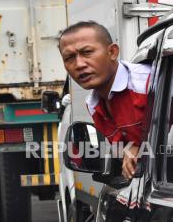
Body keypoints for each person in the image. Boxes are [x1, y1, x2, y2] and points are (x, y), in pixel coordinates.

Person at [59, 21, 151, 180]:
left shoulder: (148, 83)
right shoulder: (94, 104)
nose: (79, 64)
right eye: (69, 58)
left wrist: (139, 148)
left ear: (113, 52)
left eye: (87, 52)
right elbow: (120, 147)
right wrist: (132, 149)